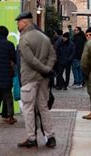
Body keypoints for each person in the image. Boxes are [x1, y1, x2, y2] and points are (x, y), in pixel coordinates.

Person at [15, 12, 57, 149]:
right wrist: (48, 69)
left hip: (29, 78)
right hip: (43, 79)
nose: (17, 25)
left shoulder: (24, 38)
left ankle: (31, 138)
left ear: (25, 23)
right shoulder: (44, 37)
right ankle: (50, 137)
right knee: (43, 108)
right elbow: (52, 55)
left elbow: (30, 60)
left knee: (28, 108)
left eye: (18, 22)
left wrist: (44, 69)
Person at [83, 27, 91, 120]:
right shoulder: (86, 44)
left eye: (90, 35)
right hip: (88, 73)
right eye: (87, 35)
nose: (88, 36)